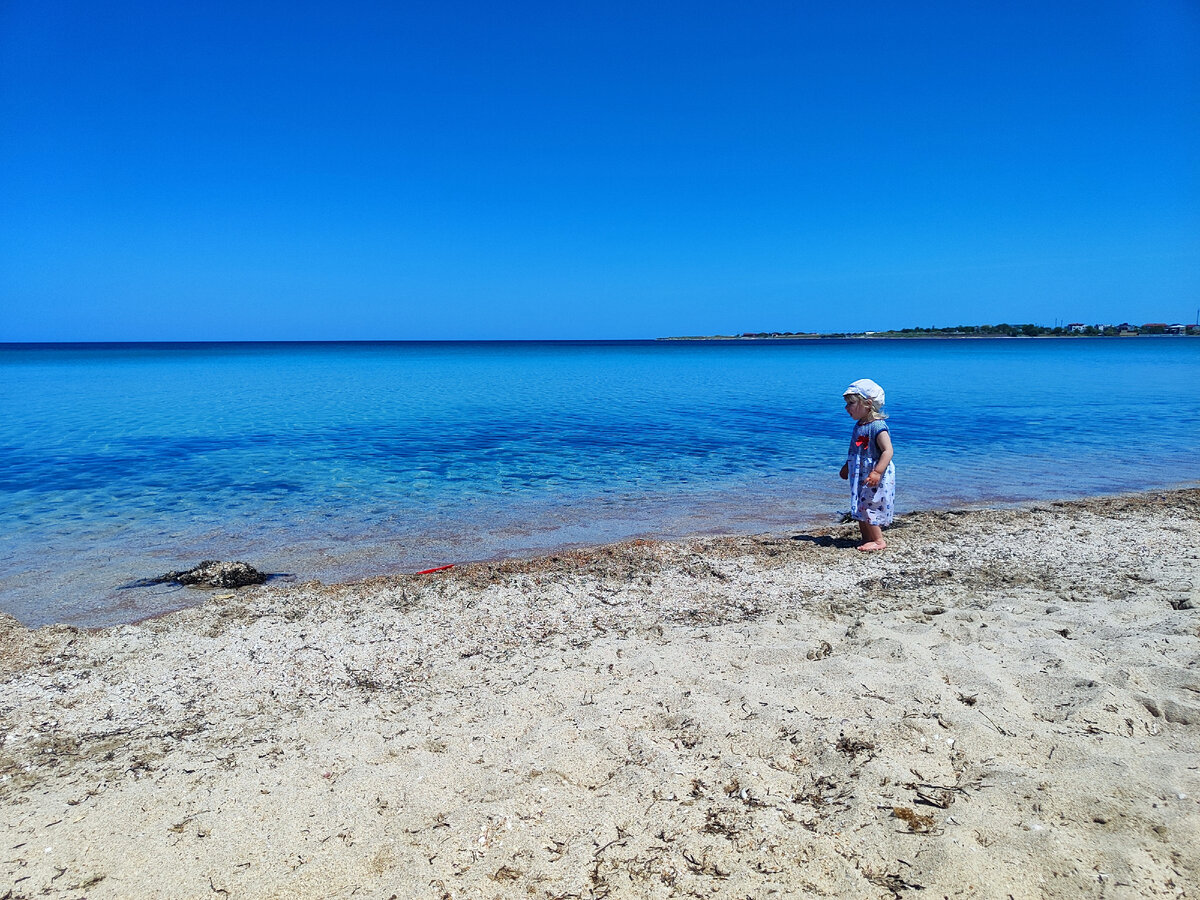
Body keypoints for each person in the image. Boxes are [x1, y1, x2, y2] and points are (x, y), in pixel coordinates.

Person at [838, 378, 894, 551]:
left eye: (851, 403)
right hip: (860, 473)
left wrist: (877, 472)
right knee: (859, 504)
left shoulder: (877, 426)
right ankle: (866, 538)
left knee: (869, 504)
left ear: (868, 403)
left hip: (873, 474)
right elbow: (855, 450)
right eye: (846, 404)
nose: (847, 408)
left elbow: (888, 451)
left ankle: (878, 541)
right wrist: (847, 466)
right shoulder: (859, 426)